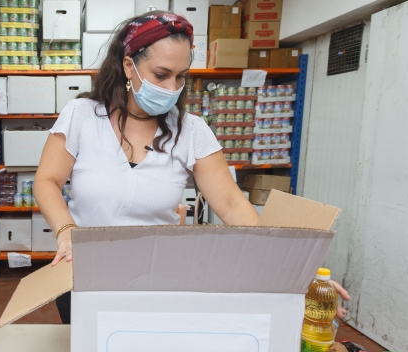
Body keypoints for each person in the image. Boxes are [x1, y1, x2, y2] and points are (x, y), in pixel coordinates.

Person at [33, 11, 350, 323]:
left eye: (181, 76)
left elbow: (231, 203)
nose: (172, 88)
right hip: (84, 277)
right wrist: (66, 230)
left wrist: (296, 272)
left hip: (155, 283)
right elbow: (47, 180)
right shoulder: (83, 116)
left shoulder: (191, 131)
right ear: (129, 66)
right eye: (161, 74)